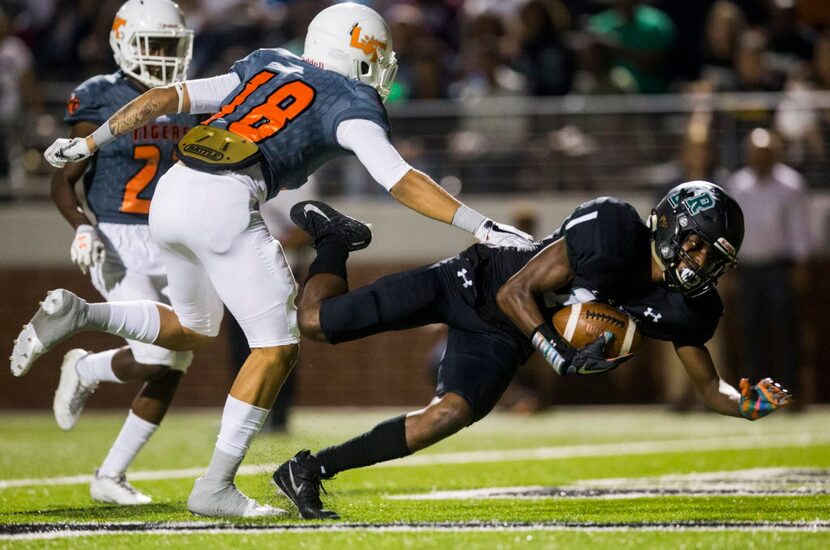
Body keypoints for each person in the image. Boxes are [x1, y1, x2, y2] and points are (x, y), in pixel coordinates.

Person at [12, 2, 531, 518]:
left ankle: (84, 314)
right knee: (277, 346)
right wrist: (481, 225)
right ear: (364, 55)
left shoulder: (267, 62)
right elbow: (398, 178)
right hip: (224, 201)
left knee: (193, 330)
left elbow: (168, 95)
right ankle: (215, 486)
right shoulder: (350, 99)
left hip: (170, 194)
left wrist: (90, 142)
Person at [272, 181, 793, 520]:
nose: (701, 262)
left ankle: (308, 470)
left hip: (506, 335)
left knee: (446, 415)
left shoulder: (688, 308)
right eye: (698, 244)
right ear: (671, 223)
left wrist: (742, 404)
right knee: (315, 323)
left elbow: (709, 387)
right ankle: (334, 240)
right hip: (475, 280)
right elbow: (514, 292)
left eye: (714, 257)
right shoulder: (613, 230)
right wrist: (557, 353)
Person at [45, 0, 197, 506]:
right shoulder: (99, 95)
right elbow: (64, 179)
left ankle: (110, 475)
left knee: (180, 353)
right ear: (124, 43)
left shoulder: (188, 98)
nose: (160, 55)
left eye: (169, 46)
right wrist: (82, 228)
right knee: (159, 353)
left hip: (174, 238)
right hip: (118, 239)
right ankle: (85, 369)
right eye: (151, 43)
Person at [725, 128, 815, 404]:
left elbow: (799, 230)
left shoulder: (791, 184)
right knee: (751, 332)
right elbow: (731, 231)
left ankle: (791, 393)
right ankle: (754, 393)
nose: (760, 158)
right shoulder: (738, 184)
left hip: (779, 268)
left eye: (765, 153)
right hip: (748, 269)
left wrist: (800, 268)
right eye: (755, 153)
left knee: (785, 330)